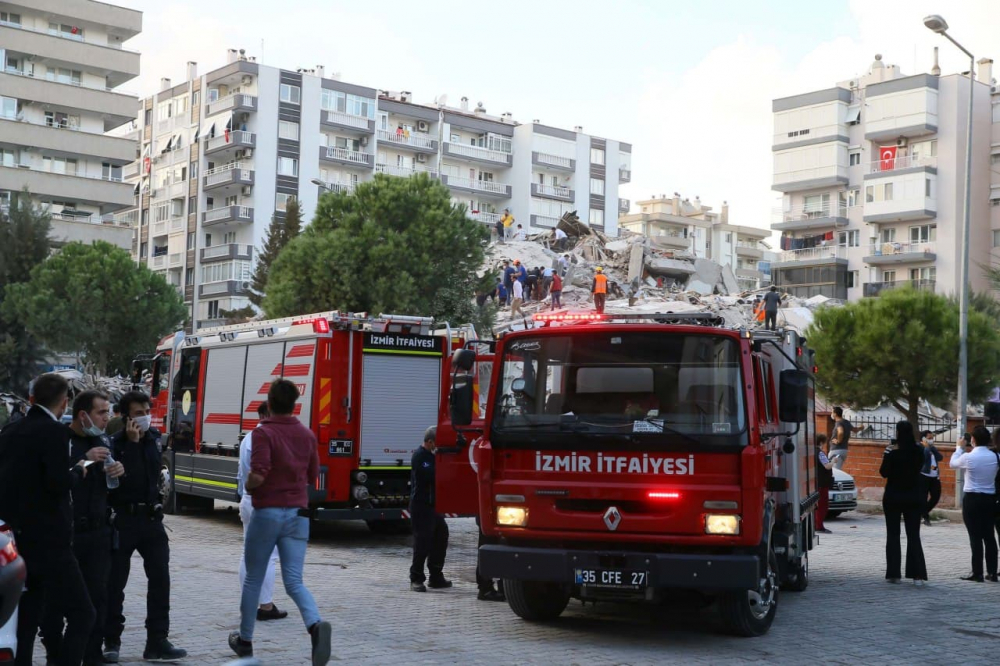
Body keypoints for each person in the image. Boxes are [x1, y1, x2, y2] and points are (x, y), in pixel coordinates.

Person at [230, 380, 331, 665]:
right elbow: (313, 473)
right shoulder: (307, 435)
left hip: (268, 513)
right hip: (298, 514)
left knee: (253, 577)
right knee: (295, 581)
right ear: (295, 404)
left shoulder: (264, 433)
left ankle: (245, 640)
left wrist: (250, 486)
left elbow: (259, 473)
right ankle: (314, 625)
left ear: (270, 403)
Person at [0, 373, 95, 666]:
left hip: (18, 540)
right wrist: (79, 470)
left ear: (31, 399)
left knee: (27, 619)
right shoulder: (55, 433)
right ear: (65, 402)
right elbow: (57, 484)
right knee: (83, 612)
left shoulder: (10, 430)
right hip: (50, 542)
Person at [40, 391, 125, 666]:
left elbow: (112, 487)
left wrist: (118, 471)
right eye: (102, 412)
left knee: (98, 597)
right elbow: (55, 480)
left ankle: (92, 655)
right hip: (68, 535)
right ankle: (57, 655)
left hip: (99, 532)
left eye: (108, 412)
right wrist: (86, 459)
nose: (107, 418)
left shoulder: (103, 440)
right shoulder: (60, 440)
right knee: (56, 602)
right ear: (83, 415)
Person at [104, 391, 187, 663]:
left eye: (146, 411)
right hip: (124, 520)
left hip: (152, 520)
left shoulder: (154, 440)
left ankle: (157, 640)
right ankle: (111, 640)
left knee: (161, 579)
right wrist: (131, 444)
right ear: (127, 417)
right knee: (115, 583)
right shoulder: (116, 444)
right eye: (138, 413)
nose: (144, 416)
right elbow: (120, 482)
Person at [237, 403, 287, 623]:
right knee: (268, 556)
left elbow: (244, 473)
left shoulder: (250, 437)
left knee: (248, 553)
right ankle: (265, 606)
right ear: (266, 415)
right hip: (265, 502)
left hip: (249, 500)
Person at [879, 420, 927, 585]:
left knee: (893, 534)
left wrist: (888, 456)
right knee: (913, 534)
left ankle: (893, 573)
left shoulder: (891, 450)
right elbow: (920, 468)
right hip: (914, 496)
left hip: (893, 496)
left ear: (898, 432)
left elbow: (883, 472)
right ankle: (917, 575)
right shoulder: (919, 450)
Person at [949, 425, 999, 582]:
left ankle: (977, 572)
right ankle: (992, 572)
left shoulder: (968, 457)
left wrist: (958, 448)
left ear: (973, 440)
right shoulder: (996, 457)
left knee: (975, 536)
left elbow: (952, 464)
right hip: (990, 499)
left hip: (972, 499)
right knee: (989, 536)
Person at [409, 426, 451, 592]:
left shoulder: (434, 457)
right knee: (422, 542)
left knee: (441, 535)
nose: (437, 446)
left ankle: (436, 576)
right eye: (436, 443)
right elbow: (432, 476)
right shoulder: (421, 457)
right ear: (429, 442)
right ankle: (416, 578)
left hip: (433, 506)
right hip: (421, 506)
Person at [920, 430, 943, 526]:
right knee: (923, 497)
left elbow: (940, 457)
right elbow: (923, 458)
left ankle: (922, 512)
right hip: (924, 475)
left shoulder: (932, 448)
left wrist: (931, 447)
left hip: (934, 476)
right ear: (923, 439)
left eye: (932, 438)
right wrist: (926, 448)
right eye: (929, 438)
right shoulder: (920, 447)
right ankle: (926, 517)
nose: (931, 440)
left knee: (936, 496)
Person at [815, 434, 834, 534]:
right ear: (821, 442)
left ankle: (816, 524)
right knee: (822, 505)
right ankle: (819, 525)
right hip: (822, 483)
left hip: (817, 482)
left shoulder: (811, 452)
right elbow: (827, 466)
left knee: (817, 505)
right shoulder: (820, 453)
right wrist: (834, 461)